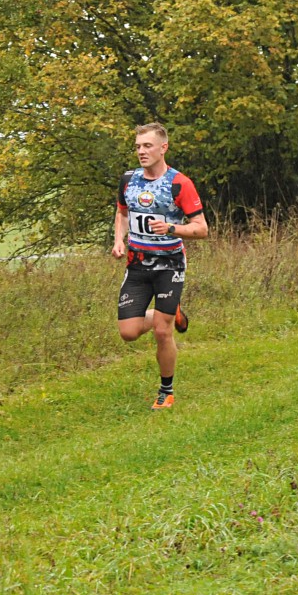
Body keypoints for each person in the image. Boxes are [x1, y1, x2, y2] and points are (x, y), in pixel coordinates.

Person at [112, 123, 209, 409]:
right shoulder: (128, 180)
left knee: (162, 332)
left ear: (163, 148)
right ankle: (168, 312)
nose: (141, 151)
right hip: (137, 265)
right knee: (128, 333)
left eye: (147, 146)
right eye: (138, 146)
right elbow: (122, 213)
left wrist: (171, 228)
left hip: (170, 265)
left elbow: (202, 228)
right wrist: (118, 240)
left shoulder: (179, 183)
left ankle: (166, 391)